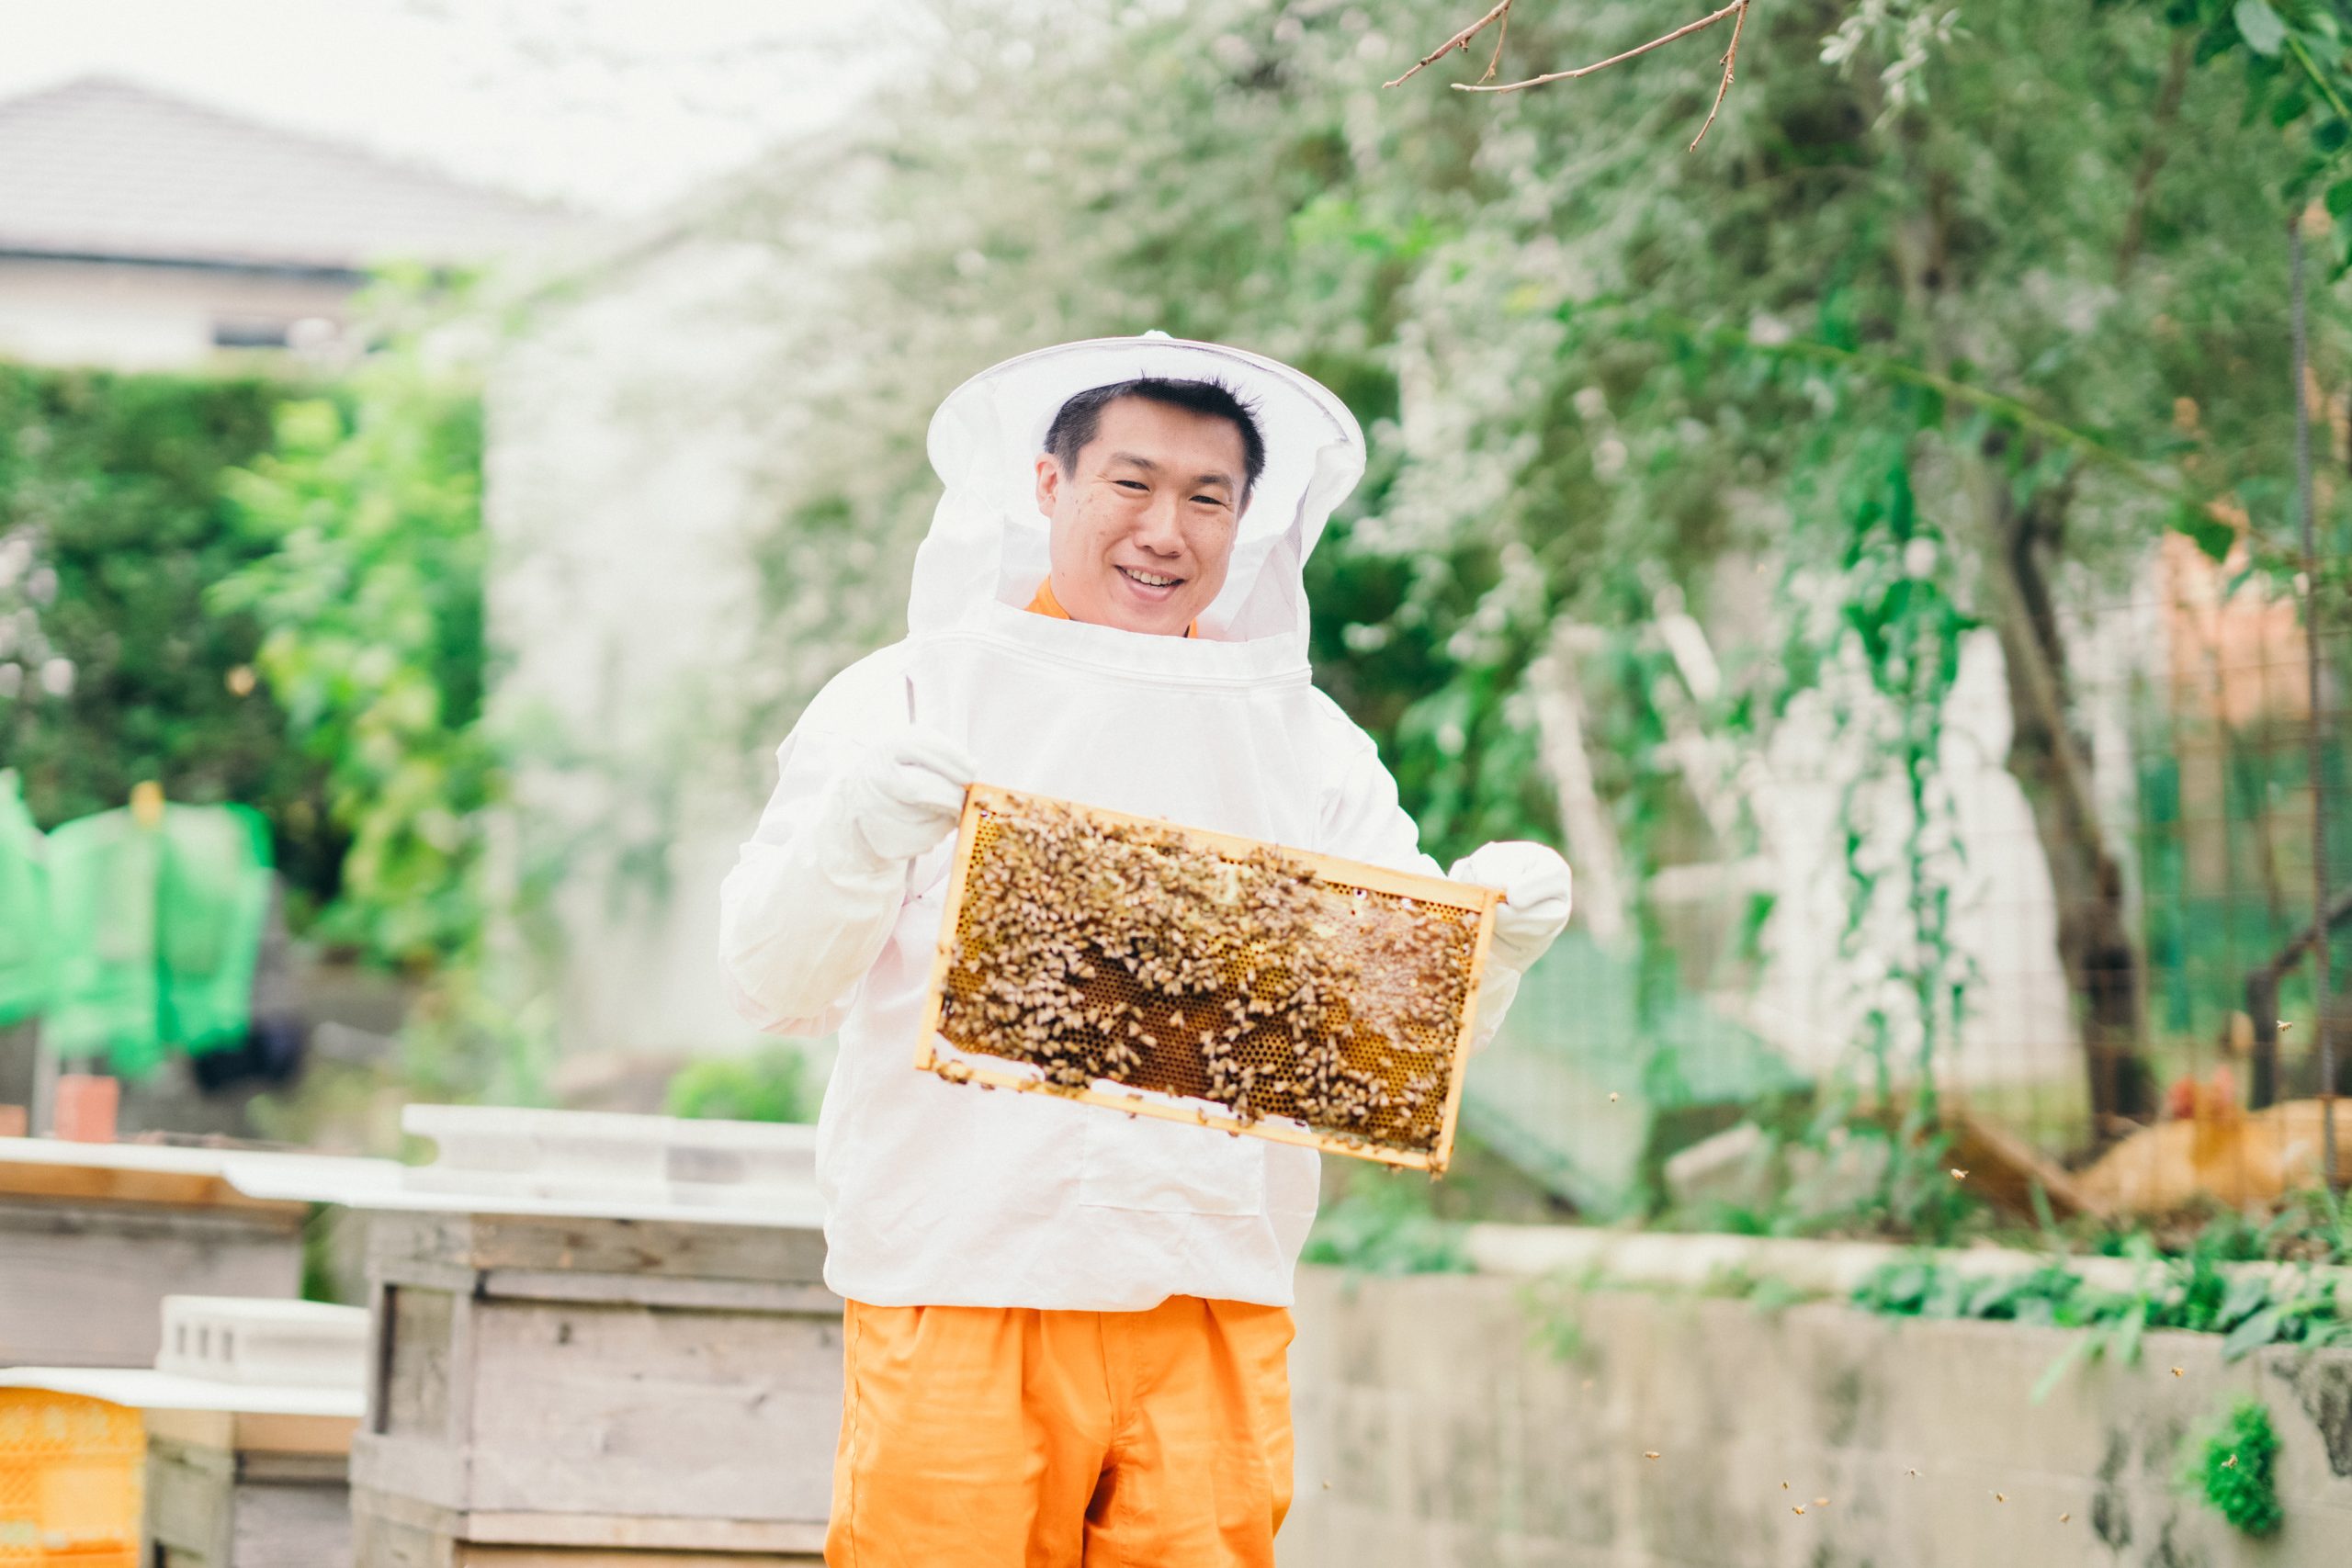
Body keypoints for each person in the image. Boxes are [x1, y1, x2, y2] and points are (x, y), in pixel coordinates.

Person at [718, 334, 1572, 1568]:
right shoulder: (900, 702)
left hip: (1208, 1289)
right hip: (963, 1276)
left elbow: (1384, 1043)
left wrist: (1486, 954)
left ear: (1248, 521)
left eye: (1206, 497)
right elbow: (770, 977)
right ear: (1050, 487)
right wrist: (856, 834)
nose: (1166, 530)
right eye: (1132, 483)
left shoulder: (1305, 743)